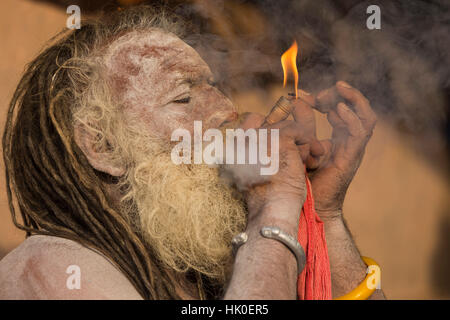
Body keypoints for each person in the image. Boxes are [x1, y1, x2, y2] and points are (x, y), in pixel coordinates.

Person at [0, 6, 384, 300]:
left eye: (214, 87)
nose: (226, 110)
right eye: (183, 97)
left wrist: (323, 214)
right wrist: (273, 210)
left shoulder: (209, 264)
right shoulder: (48, 270)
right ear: (104, 146)